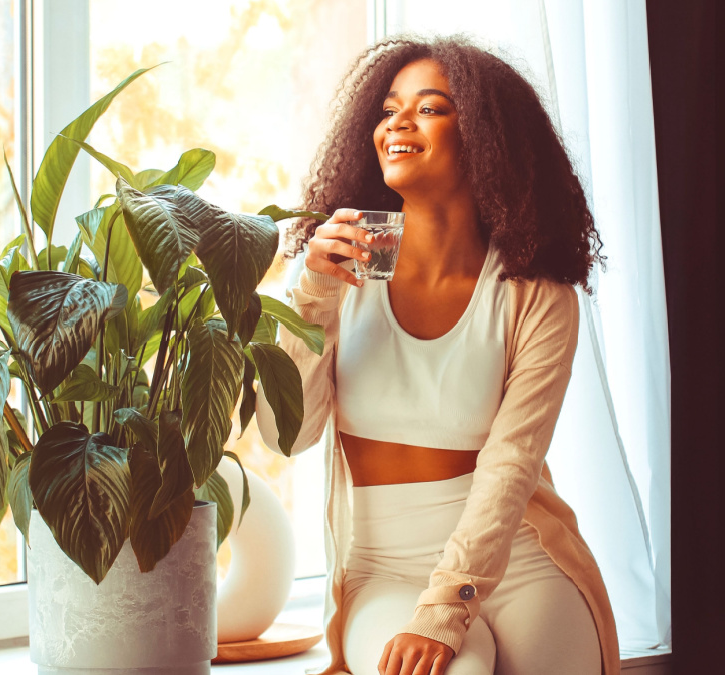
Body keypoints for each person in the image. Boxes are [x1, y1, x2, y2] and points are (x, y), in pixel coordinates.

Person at [254, 35, 620, 675]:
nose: (397, 121)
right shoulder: (338, 271)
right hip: (384, 566)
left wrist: (449, 607)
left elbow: (512, 464)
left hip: (518, 555)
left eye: (429, 108)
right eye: (390, 108)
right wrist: (310, 292)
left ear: (485, 137)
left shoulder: (537, 295)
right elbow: (288, 436)